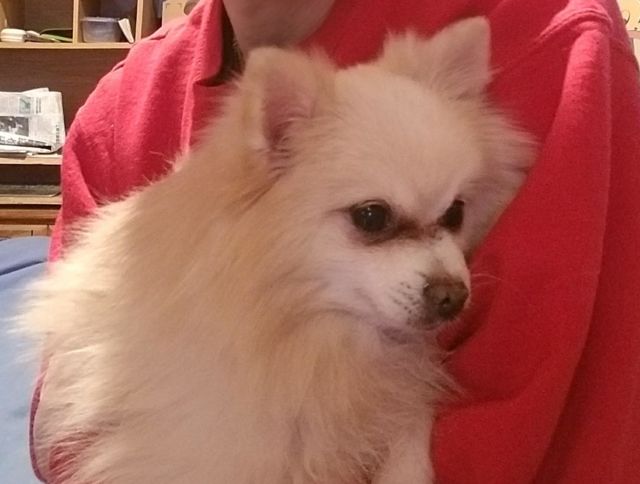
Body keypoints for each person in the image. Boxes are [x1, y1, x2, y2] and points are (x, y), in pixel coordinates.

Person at [32, 0, 640, 482]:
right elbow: (60, 437)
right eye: (373, 219)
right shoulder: (121, 108)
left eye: (454, 216)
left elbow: (580, 429)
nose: (448, 274)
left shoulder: (550, 37)